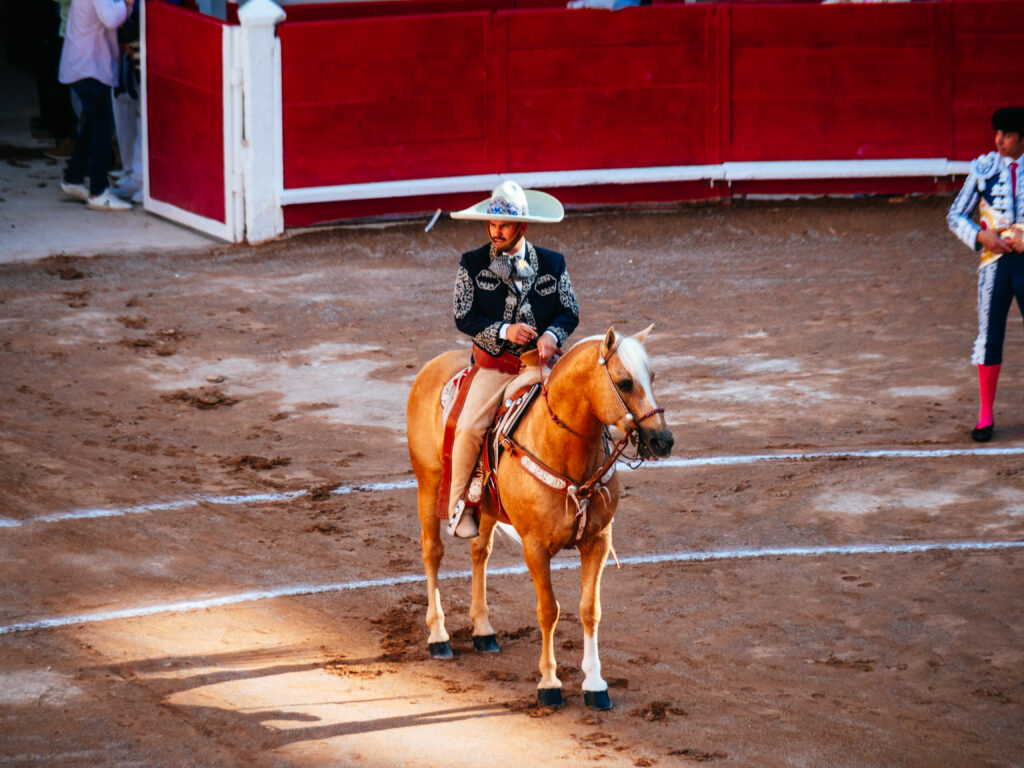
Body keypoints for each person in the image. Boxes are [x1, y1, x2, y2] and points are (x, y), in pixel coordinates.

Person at [443, 181, 580, 538]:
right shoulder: (472, 264)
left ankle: (589, 481)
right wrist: (504, 331)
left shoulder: (553, 263)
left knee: (581, 409)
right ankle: (461, 506)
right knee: (470, 427)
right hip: (494, 366)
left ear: (523, 227)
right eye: (492, 224)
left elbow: (569, 311)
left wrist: (552, 336)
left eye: (504, 225)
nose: (496, 231)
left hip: (538, 363)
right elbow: (463, 315)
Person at [947, 106, 1024, 442]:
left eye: (1006, 134)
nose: (999, 140)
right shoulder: (983, 169)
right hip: (994, 264)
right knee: (990, 336)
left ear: (1022, 137)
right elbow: (955, 215)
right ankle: (985, 415)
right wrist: (982, 236)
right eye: (997, 133)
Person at [58, 0, 135, 212]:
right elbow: (111, 19)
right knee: (103, 128)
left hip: (82, 64)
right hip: (89, 67)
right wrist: (128, 3)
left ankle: (73, 179)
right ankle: (98, 191)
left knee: (93, 126)